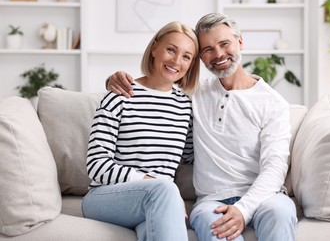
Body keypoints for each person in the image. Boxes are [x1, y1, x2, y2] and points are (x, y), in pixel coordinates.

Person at [106, 13, 297, 241]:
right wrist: (113, 80)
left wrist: (243, 209)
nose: (218, 54)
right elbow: (157, 86)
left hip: (266, 198)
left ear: (240, 42)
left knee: (281, 212)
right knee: (217, 229)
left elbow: (274, 168)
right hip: (211, 201)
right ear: (201, 59)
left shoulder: (273, 103)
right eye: (207, 49)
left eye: (224, 43)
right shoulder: (193, 94)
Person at [82, 21, 200, 241]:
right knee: (164, 190)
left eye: (186, 56)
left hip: (157, 201)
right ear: (155, 48)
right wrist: (152, 183)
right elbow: (96, 164)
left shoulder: (185, 106)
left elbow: (193, 158)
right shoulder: (120, 94)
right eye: (171, 50)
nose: (176, 61)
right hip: (106, 197)